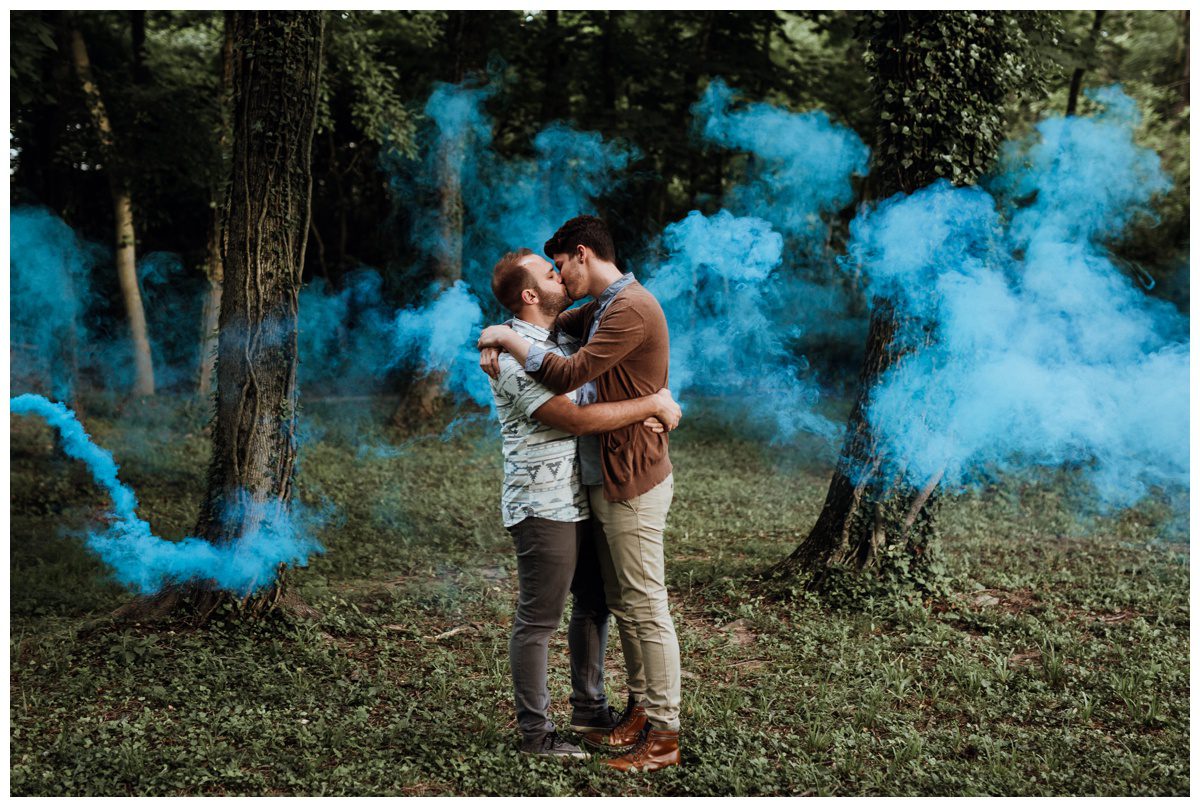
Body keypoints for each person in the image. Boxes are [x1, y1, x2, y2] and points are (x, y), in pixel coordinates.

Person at [478, 216, 682, 773]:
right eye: (550, 271)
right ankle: (598, 722)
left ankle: (657, 732)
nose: (559, 276)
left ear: (582, 254)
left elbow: (568, 373)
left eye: (560, 263)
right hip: (559, 497)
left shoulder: (621, 308)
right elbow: (566, 400)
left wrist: (505, 336)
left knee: (634, 605)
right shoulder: (583, 316)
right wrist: (499, 334)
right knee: (599, 607)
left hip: (623, 481)